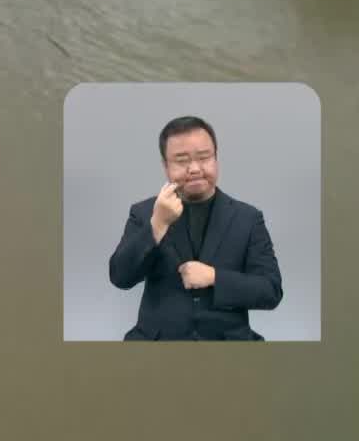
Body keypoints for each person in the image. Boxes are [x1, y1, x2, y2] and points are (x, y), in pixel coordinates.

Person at [107, 115, 283, 340]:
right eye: (181, 160)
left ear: (216, 158)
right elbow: (120, 277)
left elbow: (271, 291)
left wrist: (215, 277)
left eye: (204, 157)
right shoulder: (144, 213)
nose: (194, 169)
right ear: (165, 166)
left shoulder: (248, 218)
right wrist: (157, 224)